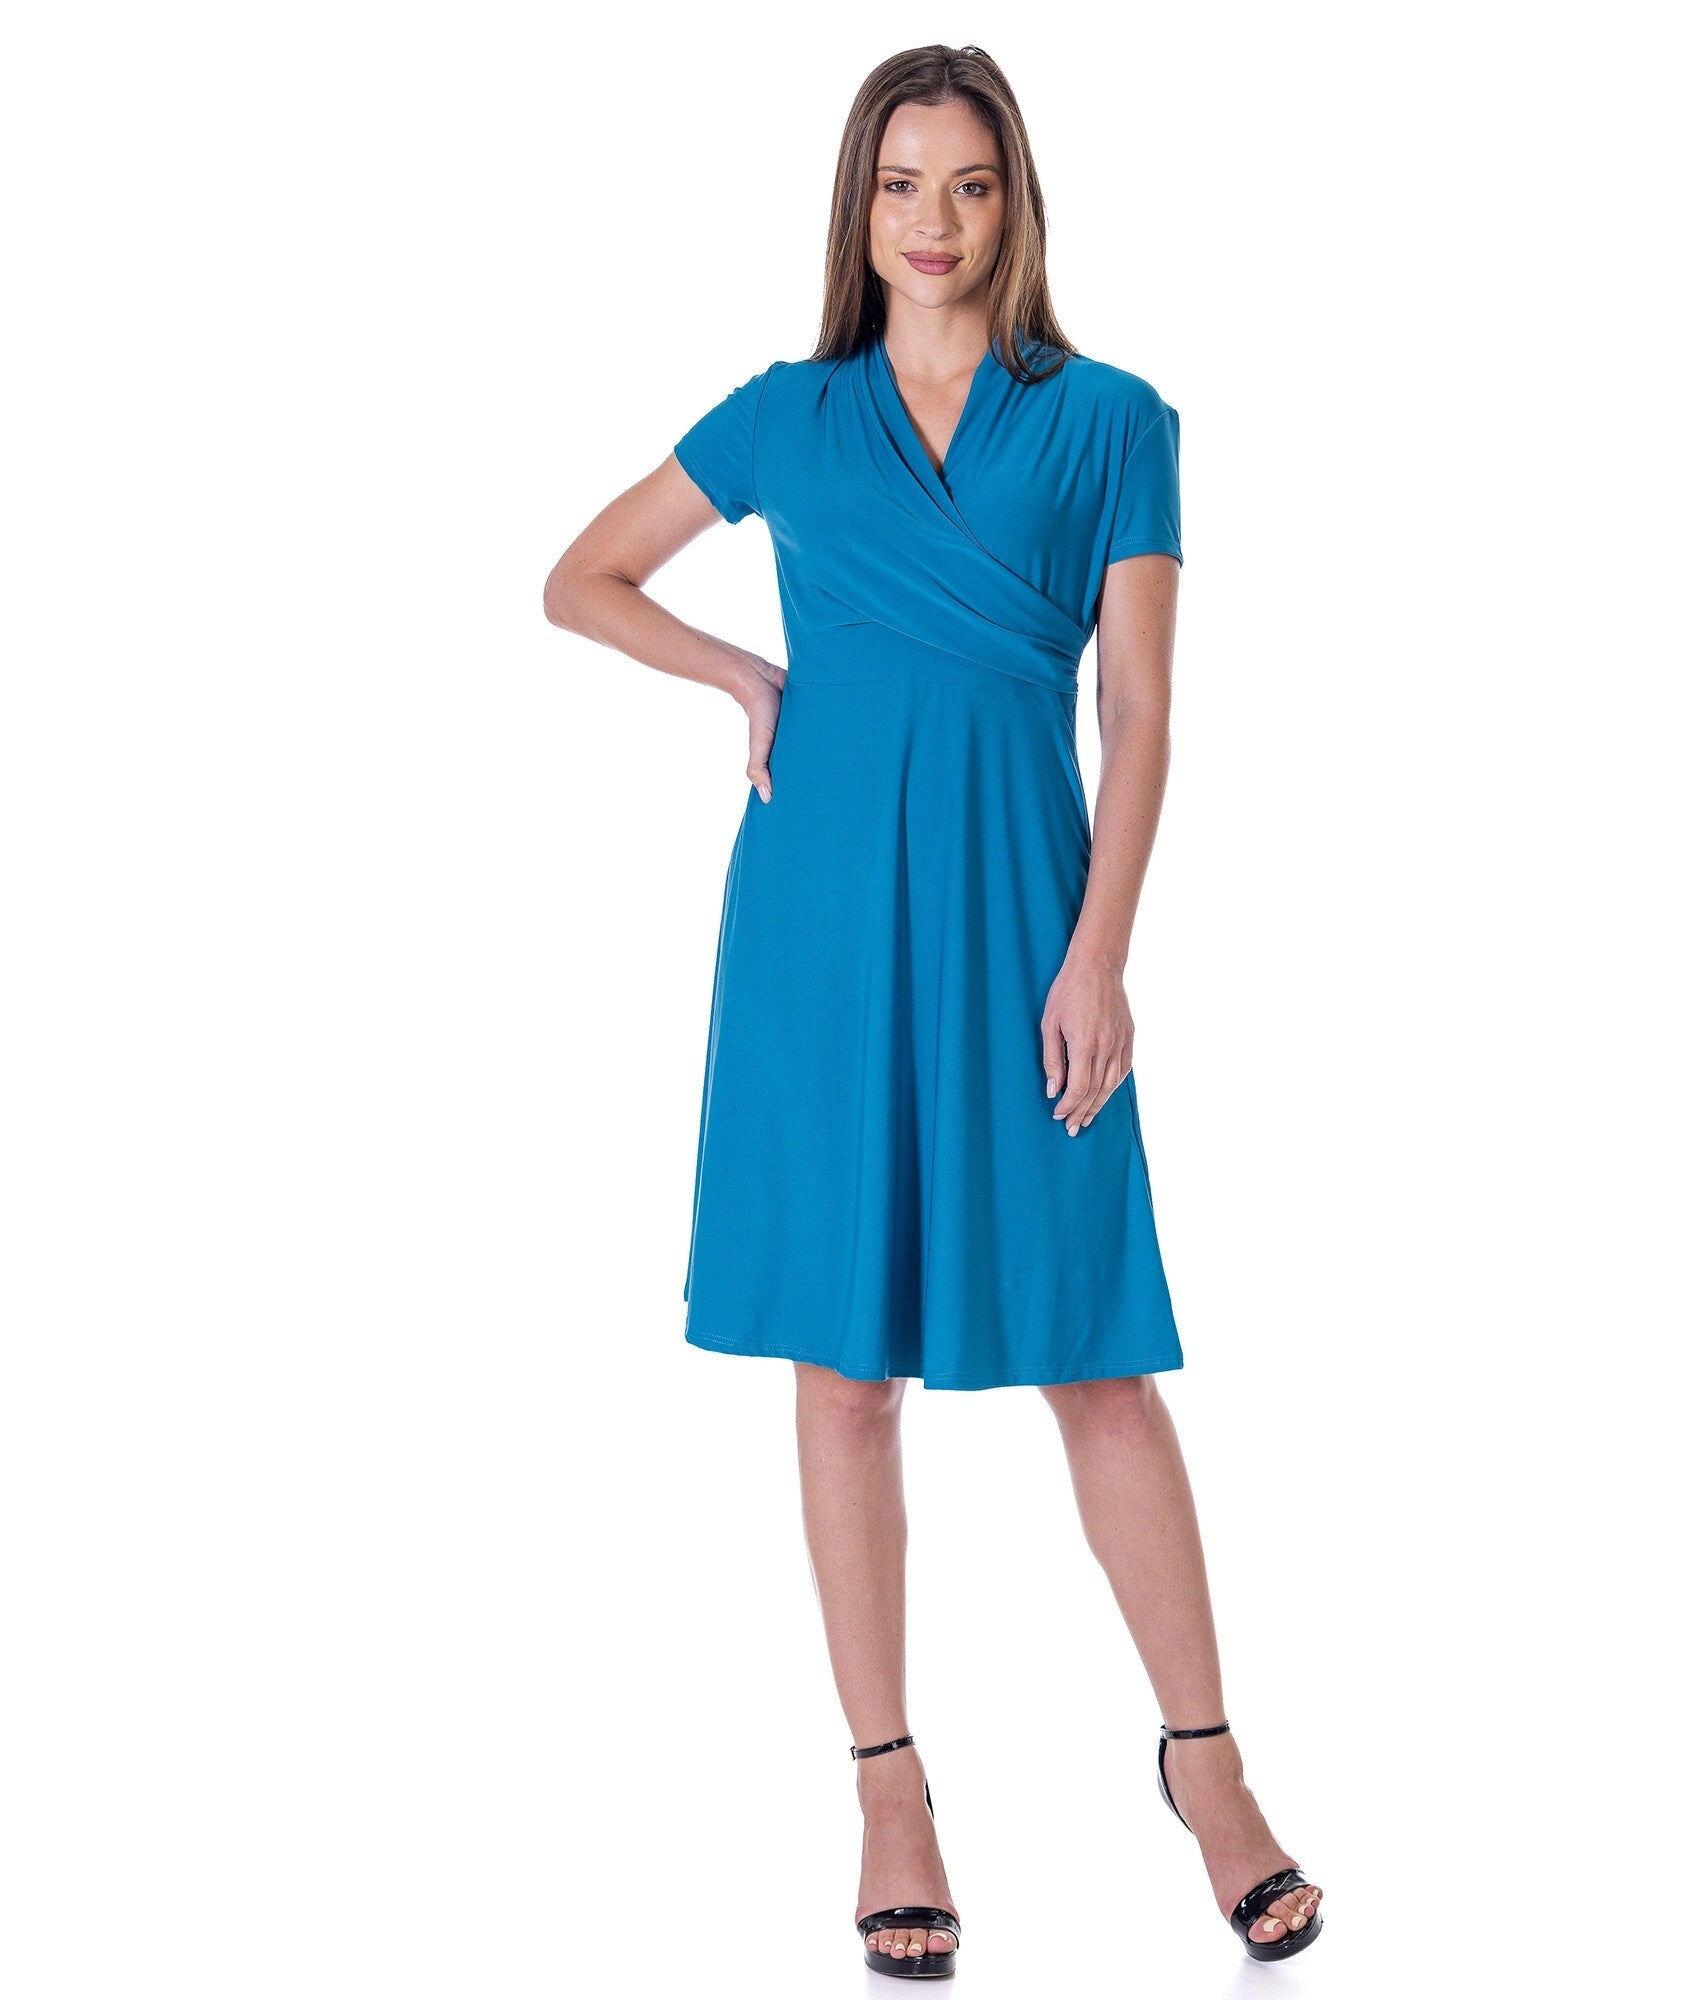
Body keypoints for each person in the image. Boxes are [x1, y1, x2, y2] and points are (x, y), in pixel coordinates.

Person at [543, 43, 1322, 1977]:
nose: (935, 220)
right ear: (859, 201)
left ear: (1014, 201)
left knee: (1093, 1353)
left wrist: (1100, 952)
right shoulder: (787, 415)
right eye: (902, 183)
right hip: (817, 928)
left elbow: (1139, 707)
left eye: (970, 183)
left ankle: (1209, 1765)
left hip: (1026, 921)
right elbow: (580, 579)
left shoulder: (1112, 420)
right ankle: (889, 1787)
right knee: (842, 1367)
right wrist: (743, 676)